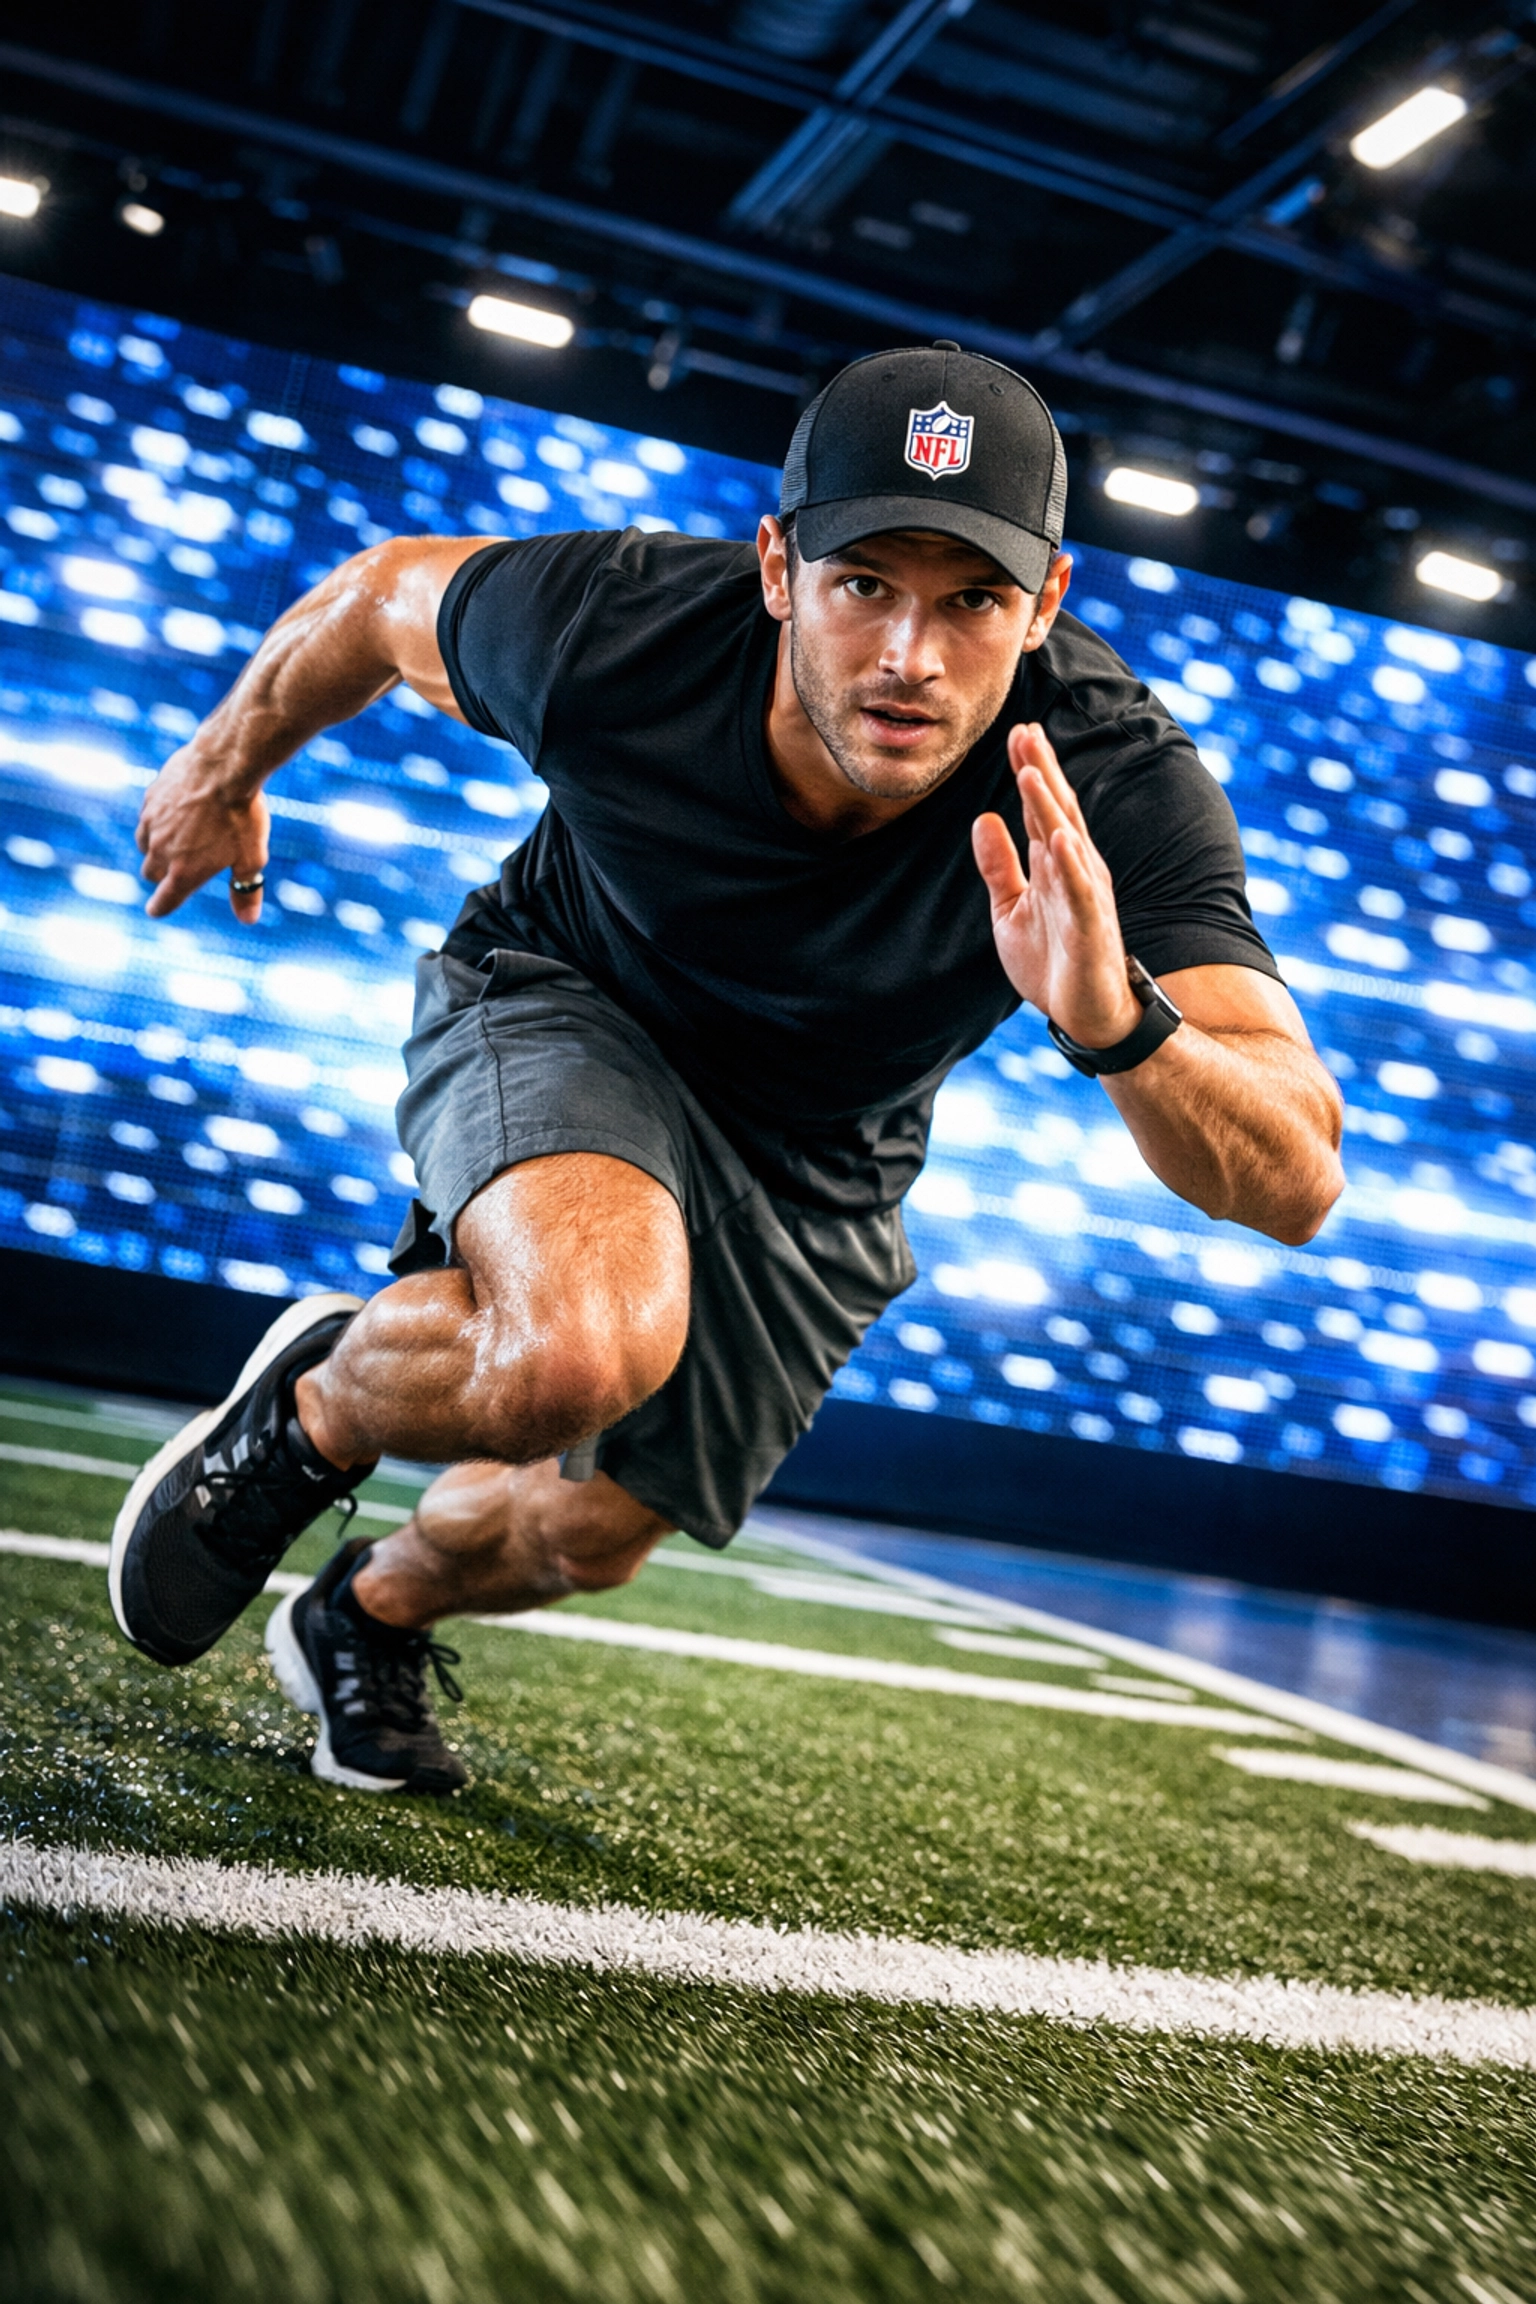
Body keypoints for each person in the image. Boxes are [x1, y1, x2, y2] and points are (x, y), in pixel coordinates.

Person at [111, 342, 1344, 1796]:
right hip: (568, 997)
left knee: (588, 1535)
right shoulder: (617, 628)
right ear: (777, 570)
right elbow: (377, 601)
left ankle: (360, 1614)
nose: (908, 656)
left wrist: (1120, 1024)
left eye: (972, 603)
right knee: (580, 1344)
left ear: (1047, 606)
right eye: (864, 584)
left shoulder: (1114, 779)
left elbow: (1296, 1178)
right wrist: (221, 770)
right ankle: (316, 1410)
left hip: (825, 1145)